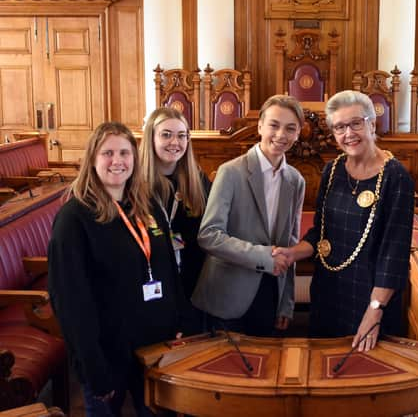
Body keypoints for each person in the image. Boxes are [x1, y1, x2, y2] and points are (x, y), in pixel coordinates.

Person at [48, 122, 193, 417]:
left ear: (135, 159)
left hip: (154, 347)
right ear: (92, 159)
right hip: (106, 353)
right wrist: (93, 367)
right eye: (108, 153)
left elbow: (166, 267)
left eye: (125, 153)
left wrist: (180, 321)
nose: (117, 161)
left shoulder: (148, 204)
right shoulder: (73, 219)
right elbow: (71, 303)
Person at [273, 90, 414, 352]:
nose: (348, 133)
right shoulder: (333, 169)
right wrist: (292, 253)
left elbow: (393, 255)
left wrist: (375, 310)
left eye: (355, 123)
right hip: (329, 291)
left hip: (370, 297)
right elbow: (321, 232)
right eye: (339, 127)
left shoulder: (396, 177)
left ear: (372, 124)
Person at [191, 95, 306, 336]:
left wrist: (285, 303)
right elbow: (209, 235)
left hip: (270, 293)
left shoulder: (296, 180)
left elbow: (290, 245)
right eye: (274, 125)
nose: (281, 134)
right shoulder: (230, 172)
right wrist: (263, 255)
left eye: (290, 128)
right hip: (228, 294)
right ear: (260, 126)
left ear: (298, 134)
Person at [140, 107, 211, 326]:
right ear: (151, 137)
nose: (175, 142)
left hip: (192, 277)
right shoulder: (134, 182)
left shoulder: (196, 178)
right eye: (166, 134)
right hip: (151, 278)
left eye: (182, 136)